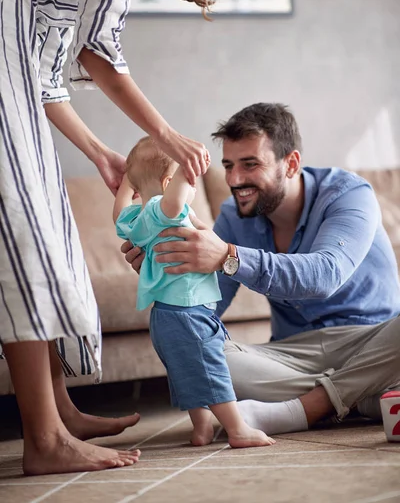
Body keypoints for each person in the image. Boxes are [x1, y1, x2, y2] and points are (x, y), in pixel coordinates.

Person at [0, 0, 227, 475]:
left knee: (41, 232)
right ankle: (45, 438)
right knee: (25, 237)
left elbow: (47, 76)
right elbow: (100, 50)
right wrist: (165, 134)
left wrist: (101, 152)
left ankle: (59, 414)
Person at [122, 103, 400, 436]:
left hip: (370, 342)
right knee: (201, 355)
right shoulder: (232, 215)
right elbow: (207, 308)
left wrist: (228, 255)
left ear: (291, 163)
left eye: (250, 165)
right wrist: (171, 274)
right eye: (228, 166)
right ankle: (370, 395)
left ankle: (307, 409)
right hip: (291, 354)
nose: (235, 180)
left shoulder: (348, 195)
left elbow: (325, 275)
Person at [113, 137, 275, 448]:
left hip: (164, 314)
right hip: (189, 311)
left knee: (188, 371)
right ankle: (238, 429)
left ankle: (201, 429)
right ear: (170, 182)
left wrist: (126, 183)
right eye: (187, 183)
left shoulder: (136, 220)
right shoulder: (165, 211)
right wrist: (190, 166)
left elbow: (118, 213)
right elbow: (174, 201)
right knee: (211, 369)